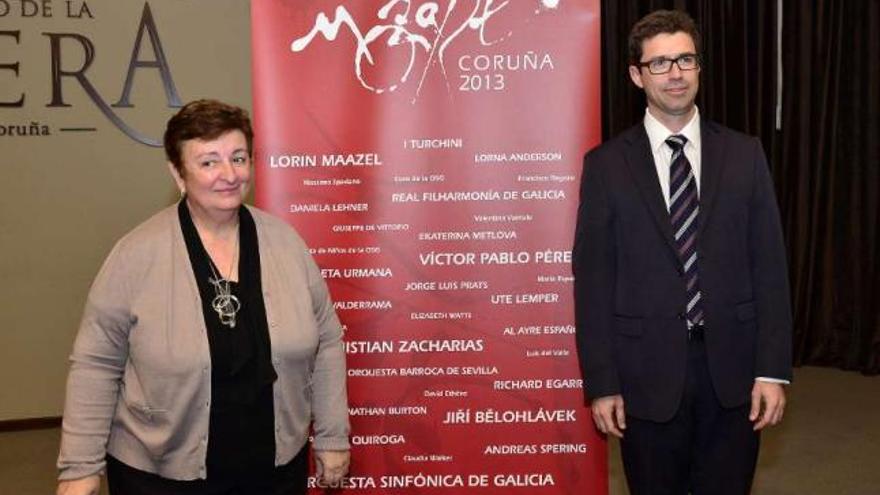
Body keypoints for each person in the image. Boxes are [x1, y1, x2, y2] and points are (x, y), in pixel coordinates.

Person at [56, 99, 350, 495]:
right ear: (178, 174)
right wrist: (81, 467)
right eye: (209, 162)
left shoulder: (287, 244)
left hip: (273, 469)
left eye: (238, 157)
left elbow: (328, 340)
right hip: (160, 474)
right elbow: (96, 363)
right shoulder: (135, 254)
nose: (228, 174)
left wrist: (332, 435)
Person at [572, 10, 792, 495]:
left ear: (699, 68)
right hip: (644, 377)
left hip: (733, 376)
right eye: (660, 63)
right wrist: (602, 382)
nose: (675, 73)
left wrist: (772, 370)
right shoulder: (606, 167)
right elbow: (592, 283)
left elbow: (770, 269)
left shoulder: (745, 154)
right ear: (636, 75)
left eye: (685, 60)